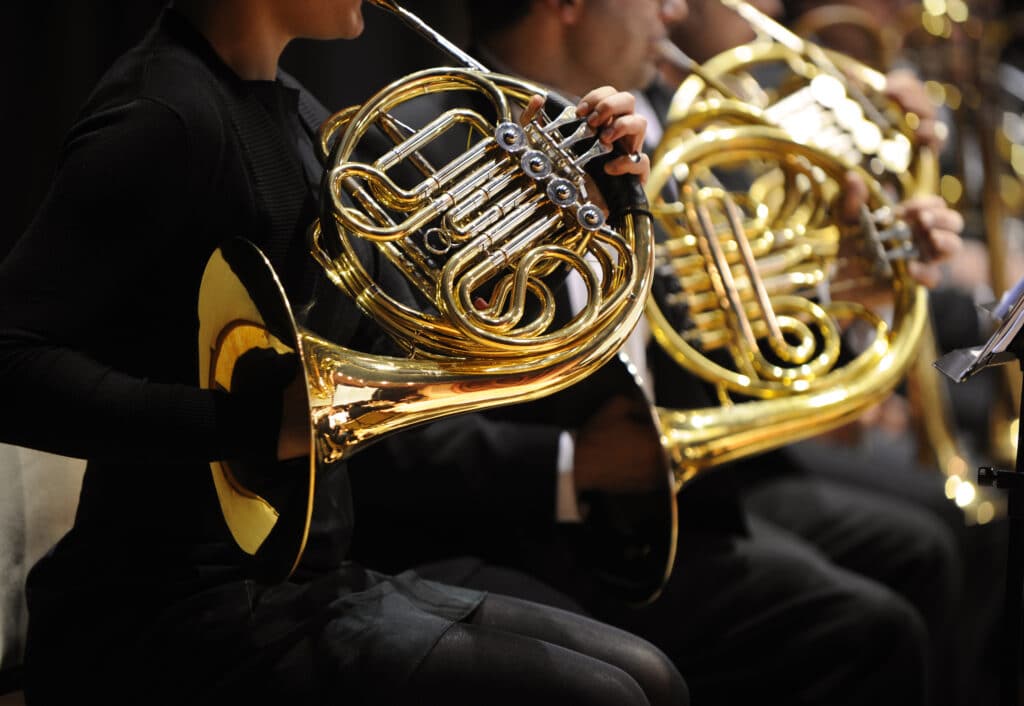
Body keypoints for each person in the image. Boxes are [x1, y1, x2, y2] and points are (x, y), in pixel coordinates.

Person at [0, 1, 691, 705]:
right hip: (163, 615)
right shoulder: (164, 114)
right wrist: (251, 425)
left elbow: (402, 325)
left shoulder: (292, 108)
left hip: (298, 583)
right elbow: (11, 363)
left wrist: (576, 200)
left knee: (652, 678)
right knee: (610, 697)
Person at [345, 0, 972, 704]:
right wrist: (576, 465)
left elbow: (704, 326)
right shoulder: (429, 148)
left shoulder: (621, 133)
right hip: (523, 524)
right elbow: (406, 432)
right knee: (871, 627)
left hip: (664, 499)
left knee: (917, 557)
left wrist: (847, 281)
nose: (675, 10)